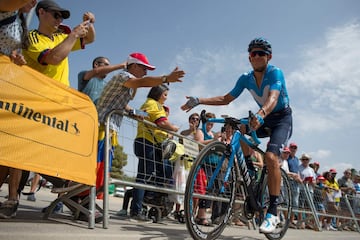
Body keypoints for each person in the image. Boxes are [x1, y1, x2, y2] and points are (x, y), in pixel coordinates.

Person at [181, 37, 292, 233]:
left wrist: (261, 113)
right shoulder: (245, 78)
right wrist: (199, 100)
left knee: (271, 156)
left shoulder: (275, 72)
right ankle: (248, 168)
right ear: (249, 57)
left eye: (261, 53)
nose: (257, 56)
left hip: (280, 118)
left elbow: (273, 97)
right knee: (239, 128)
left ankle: (272, 212)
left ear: (269, 57)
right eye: (253, 53)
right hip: (263, 117)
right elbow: (226, 98)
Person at [96, 53, 184, 221]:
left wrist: (131, 111)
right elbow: (142, 82)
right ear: (134, 65)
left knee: (104, 169)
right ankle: (82, 201)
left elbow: (121, 101)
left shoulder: (129, 84)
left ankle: (87, 201)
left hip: (110, 129)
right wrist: (166, 78)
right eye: (144, 68)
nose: (145, 72)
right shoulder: (124, 75)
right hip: (102, 126)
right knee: (101, 167)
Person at [0, 0, 37, 219]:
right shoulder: (7, 8)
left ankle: (13, 196)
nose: (33, 2)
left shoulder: (21, 22)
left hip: (8, 85)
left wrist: (15, 58)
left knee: (14, 144)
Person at [23, 0, 96, 86]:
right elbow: (54, 58)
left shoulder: (61, 37)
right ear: (41, 12)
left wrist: (89, 23)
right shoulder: (30, 37)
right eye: (56, 15)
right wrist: (74, 34)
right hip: (40, 94)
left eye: (61, 18)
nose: (59, 20)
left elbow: (89, 39)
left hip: (61, 93)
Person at [297, 153, 316, 229]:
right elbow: (298, 178)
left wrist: (312, 182)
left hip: (310, 190)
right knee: (301, 206)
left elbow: (314, 181)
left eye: (306, 159)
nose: (305, 161)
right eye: (303, 159)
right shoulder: (299, 168)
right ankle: (300, 222)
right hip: (301, 189)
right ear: (301, 160)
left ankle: (308, 222)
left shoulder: (311, 170)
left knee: (309, 207)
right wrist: (302, 181)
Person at [287, 142, 301, 228]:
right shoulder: (286, 157)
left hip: (296, 183)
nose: (293, 149)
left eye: (295, 148)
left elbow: (297, 171)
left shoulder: (296, 159)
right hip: (288, 181)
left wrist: (299, 178)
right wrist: (294, 176)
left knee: (295, 203)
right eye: (292, 147)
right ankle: (287, 220)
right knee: (287, 201)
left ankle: (291, 220)